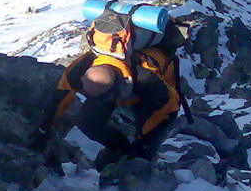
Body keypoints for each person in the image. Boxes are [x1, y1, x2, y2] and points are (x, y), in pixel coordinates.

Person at [35, 39, 181, 168]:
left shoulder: (147, 81)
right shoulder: (81, 68)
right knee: (88, 122)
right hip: (116, 87)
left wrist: (143, 142)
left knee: (142, 152)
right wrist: (44, 127)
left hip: (153, 93)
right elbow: (61, 94)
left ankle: (141, 158)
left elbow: (169, 109)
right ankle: (119, 148)